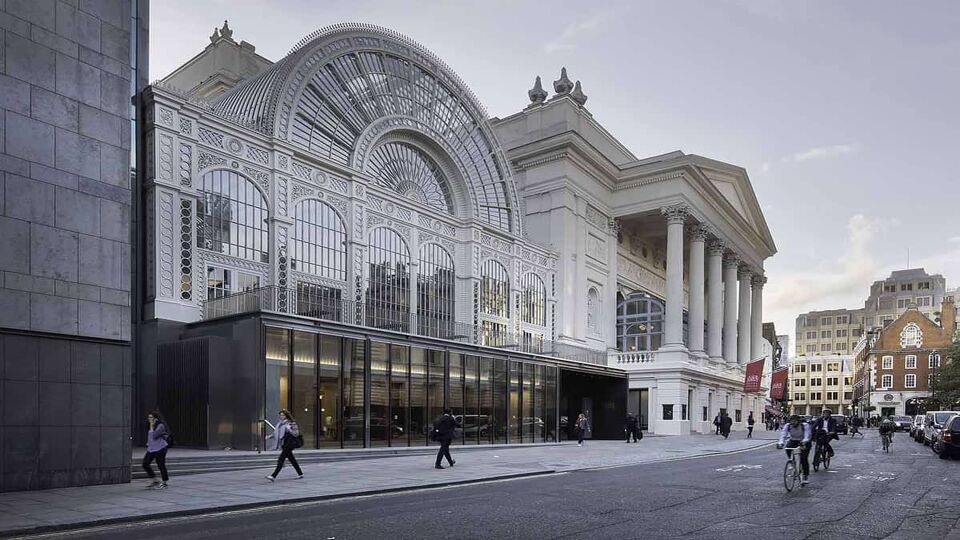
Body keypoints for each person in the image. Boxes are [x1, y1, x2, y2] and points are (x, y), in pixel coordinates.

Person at [265, 409, 303, 481]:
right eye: (280, 415)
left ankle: (273, 476)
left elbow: (296, 433)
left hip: (289, 443)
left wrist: (289, 430)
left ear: (286, 416)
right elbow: (276, 433)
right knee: (292, 459)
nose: (281, 416)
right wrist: (269, 436)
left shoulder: (291, 423)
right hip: (284, 443)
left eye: (283, 415)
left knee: (281, 459)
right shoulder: (280, 423)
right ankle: (300, 473)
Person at [777, 414, 813, 485]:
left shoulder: (804, 425)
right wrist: (781, 443)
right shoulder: (788, 425)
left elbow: (807, 435)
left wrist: (804, 441)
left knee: (804, 458)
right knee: (788, 448)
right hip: (794, 440)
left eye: (795, 421)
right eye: (791, 421)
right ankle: (792, 463)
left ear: (799, 421)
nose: (793, 423)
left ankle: (805, 475)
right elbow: (783, 434)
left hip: (804, 441)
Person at [142, 411, 170, 489]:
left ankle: (164, 483)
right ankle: (155, 480)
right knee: (145, 464)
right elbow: (150, 438)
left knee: (161, 465)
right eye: (148, 417)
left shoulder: (160, 426)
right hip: (152, 449)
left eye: (151, 417)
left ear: (156, 419)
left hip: (160, 448)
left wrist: (151, 425)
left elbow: (154, 436)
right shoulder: (150, 426)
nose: (149, 419)